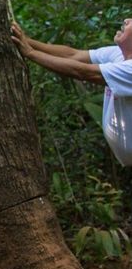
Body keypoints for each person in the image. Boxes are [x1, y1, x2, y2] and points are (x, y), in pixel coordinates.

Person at [11, 19, 132, 166]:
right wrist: (26, 40)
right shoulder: (119, 54)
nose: (127, 20)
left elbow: (83, 72)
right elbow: (73, 55)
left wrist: (30, 53)